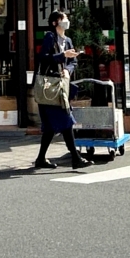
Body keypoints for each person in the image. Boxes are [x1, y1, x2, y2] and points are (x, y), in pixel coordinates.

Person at [33, 10, 92, 171]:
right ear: (55, 23)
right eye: (63, 18)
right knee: (66, 120)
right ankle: (76, 158)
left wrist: (67, 69)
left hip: (61, 86)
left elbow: (73, 62)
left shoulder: (68, 40)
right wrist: (62, 55)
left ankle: (40, 159)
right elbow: (43, 58)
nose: (66, 21)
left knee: (50, 127)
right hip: (50, 87)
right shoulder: (50, 37)